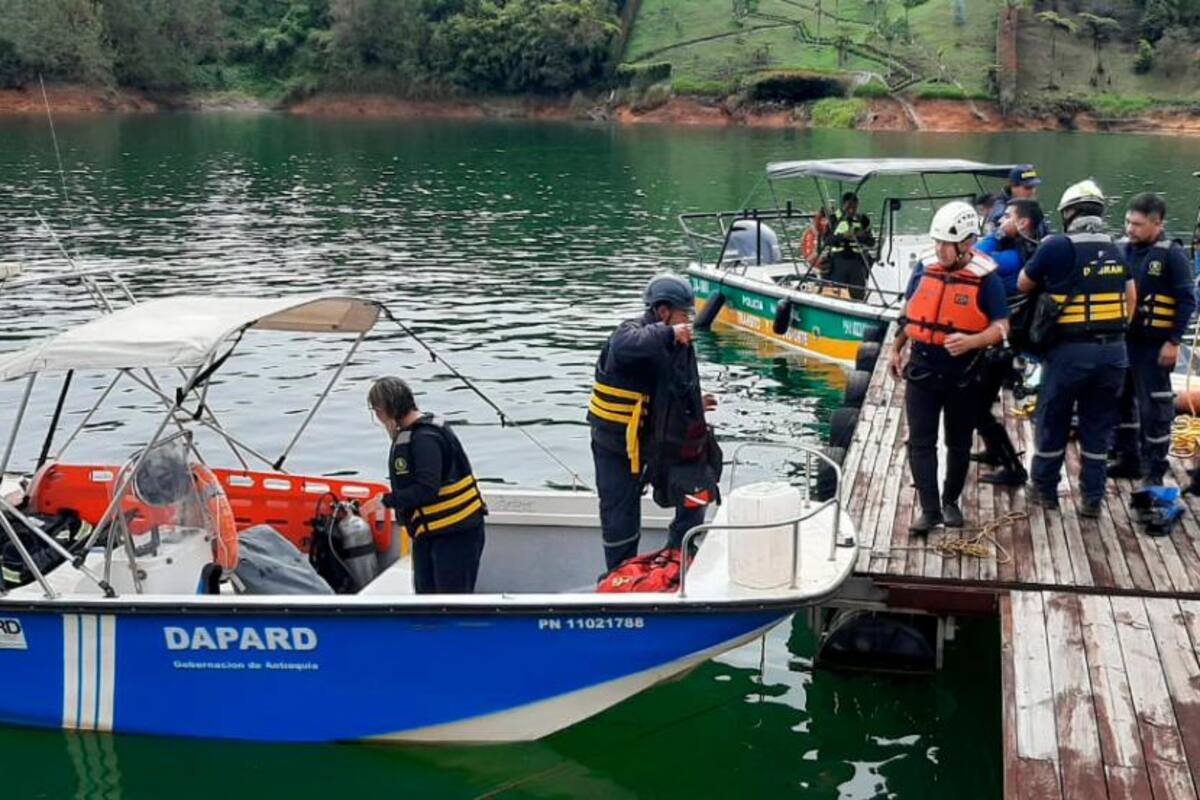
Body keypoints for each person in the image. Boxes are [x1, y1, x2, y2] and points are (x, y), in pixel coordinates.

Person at [889, 201, 1010, 533]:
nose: (940, 249)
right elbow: (909, 314)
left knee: (958, 441)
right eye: (937, 241)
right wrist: (896, 349)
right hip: (923, 369)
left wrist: (972, 341)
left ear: (967, 243)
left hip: (964, 375)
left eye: (946, 243)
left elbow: (1002, 327)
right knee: (921, 441)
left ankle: (950, 501)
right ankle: (929, 510)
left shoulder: (987, 279)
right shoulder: (924, 268)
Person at [1017, 179, 1136, 516]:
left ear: (1068, 213)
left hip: (1070, 353)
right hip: (1114, 354)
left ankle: (1044, 491)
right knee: (1097, 427)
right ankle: (1092, 500)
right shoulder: (1118, 248)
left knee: (1053, 420)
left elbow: (1023, 283)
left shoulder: (1056, 245)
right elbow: (1131, 298)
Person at [588, 273, 719, 571]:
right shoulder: (633, 332)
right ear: (662, 311)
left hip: (658, 442)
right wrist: (669, 333)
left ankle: (679, 552)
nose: (688, 321)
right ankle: (622, 573)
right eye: (684, 313)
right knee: (619, 512)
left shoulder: (675, 342)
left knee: (697, 485)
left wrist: (696, 405)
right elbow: (625, 344)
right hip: (616, 446)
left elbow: (669, 389)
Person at [1109, 193, 1196, 485]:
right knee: (1120, 400)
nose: (1130, 229)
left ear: (1157, 224)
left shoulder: (1171, 254)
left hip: (1155, 346)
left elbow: (1187, 301)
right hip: (1124, 343)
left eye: (1137, 224)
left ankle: (1153, 471)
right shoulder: (1121, 249)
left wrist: (1174, 341)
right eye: (1127, 222)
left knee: (1154, 409)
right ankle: (1127, 457)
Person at [369, 377, 486, 594]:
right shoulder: (411, 433)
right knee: (426, 599)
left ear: (387, 409)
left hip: (455, 533)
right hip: (429, 533)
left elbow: (426, 489)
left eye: (376, 410)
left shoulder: (425, 438)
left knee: (451, 603)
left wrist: (385, 501)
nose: (377, 416)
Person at [970, 199, 1047, 485]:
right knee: (982, 401)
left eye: (1008, 217)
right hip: (1004, 338)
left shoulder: (1018, 256)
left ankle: (1012, 468)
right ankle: (993, 451)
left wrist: (994, 236)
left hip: (1005, 341)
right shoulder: (1026, 250)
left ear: (1023, 223)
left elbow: (975, 256)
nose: (1001, 220)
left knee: (976, 405)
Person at [823, 192, 876, 300]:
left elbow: (871, 242)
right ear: (843, 206)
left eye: (854, 207)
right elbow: (827, 241)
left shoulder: (863, 220)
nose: (851, 210)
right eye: (848, 207)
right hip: (838, 262)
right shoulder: (833, 220)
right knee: (837, 294)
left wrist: (860, 237)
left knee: (858, 294)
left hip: (857, 263)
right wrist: (843, 236)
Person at [988, 164, 1050, 238]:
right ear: (1013, 187)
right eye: (1028, 187)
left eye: (1034, 186)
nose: (1033, 191)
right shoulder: (1000, 213)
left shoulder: (1034, 208)